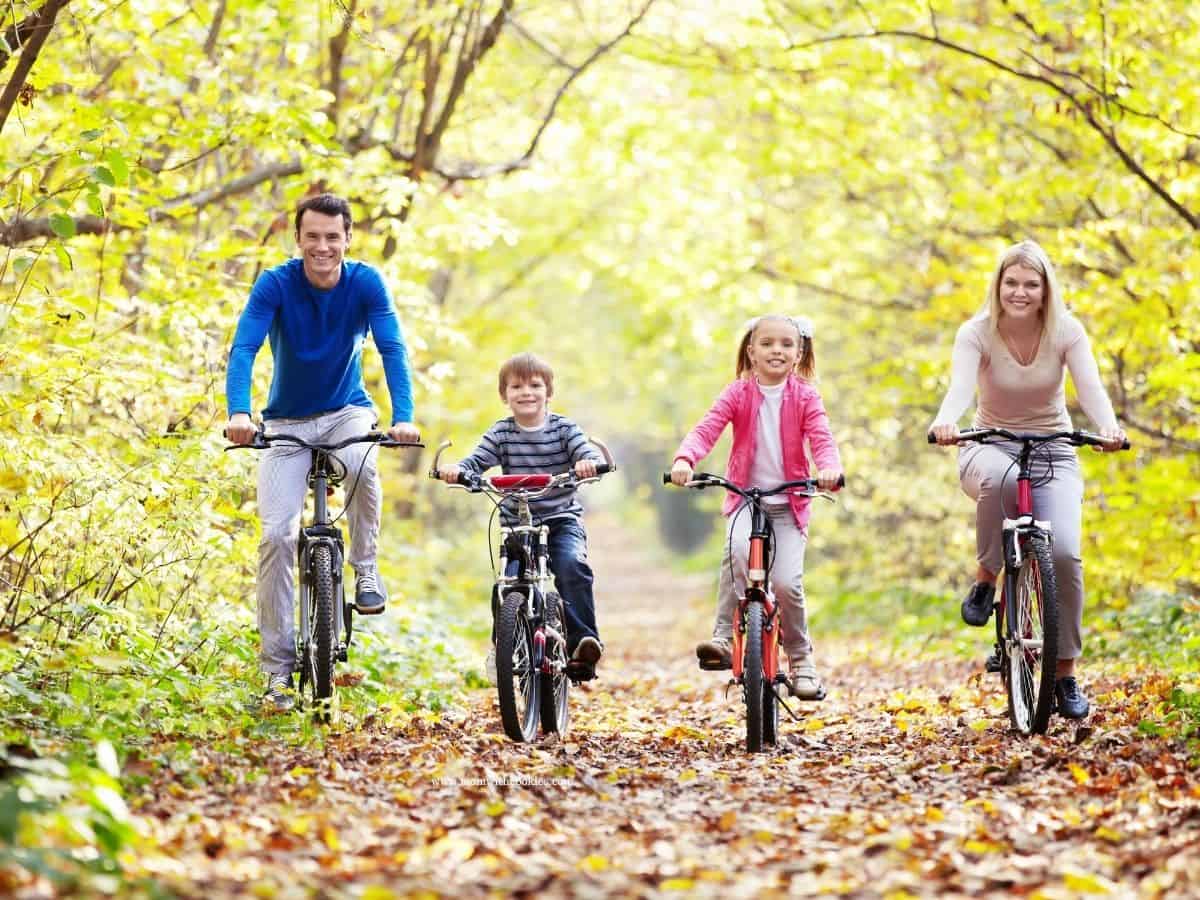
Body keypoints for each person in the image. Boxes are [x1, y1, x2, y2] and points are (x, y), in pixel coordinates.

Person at [224, 193, 420, 712]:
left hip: (344, 412)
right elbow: (244, 347)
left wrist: (402, 417)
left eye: (333, 236)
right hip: (285, 422)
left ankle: (366, 566)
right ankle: (276, 677)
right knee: (275, 536)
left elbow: (392, 348)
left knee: (362, 465)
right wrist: (240, 413)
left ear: (348, 239)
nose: (322, 246)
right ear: (299, 239)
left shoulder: (366, 283)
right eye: (312, 236)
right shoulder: (276, 284)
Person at [929, 239, 1126, 719]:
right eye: (1010, 283)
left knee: (1063, 553)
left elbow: (1090, 387)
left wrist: (1108, 428)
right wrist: (946, 422)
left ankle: (1064, 676)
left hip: (1053, 447)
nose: (1019, 292)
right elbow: (959, 387)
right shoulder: (976, 333)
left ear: (1045, 290)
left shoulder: (1067, 332)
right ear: (997, 286)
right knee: (1000, 480)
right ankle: (985, 578)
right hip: (988, 444)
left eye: (1030, 284)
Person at [669, 315, 843, 699]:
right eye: (767, 343)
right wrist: (685, 460)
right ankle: (723, 639)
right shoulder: (738, 393)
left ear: (798, 354)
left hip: (789, 504)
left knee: (786, 584)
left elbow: (821, 438)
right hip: (746, 499)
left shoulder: (806, 396)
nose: (776, 350)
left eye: (785, 344)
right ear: (751, 351)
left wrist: (829, 468)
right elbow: (707, 428)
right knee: (736, 554)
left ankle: (801, 661)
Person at [437, 353, 605, 682]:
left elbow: (587, 452)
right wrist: (459, 471)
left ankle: (583, 644)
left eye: (534, 385)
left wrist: (587, 462)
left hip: (560, 518)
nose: (526, 392)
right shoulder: (501, 433)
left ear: (548, 392)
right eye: (516, 386)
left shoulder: (564, 428)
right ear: (504, 395)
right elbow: (475, 462)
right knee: (506, 583)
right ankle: (503, 647)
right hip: (517, 522)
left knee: (572, 566)